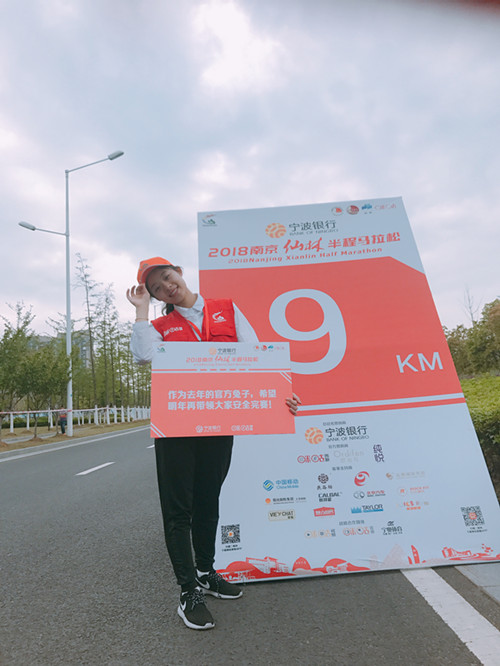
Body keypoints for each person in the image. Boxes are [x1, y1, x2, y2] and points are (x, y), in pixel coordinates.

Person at [127, 256, 300, 631]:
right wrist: (141, 310)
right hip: (177, 428)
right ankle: (188, 591)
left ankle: (206, 572)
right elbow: (142, 356)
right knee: (179, 511)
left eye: (167, 277)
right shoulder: (159, 327)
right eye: (156, 288)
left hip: (219, 425)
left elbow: (256, 356)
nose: (166, 287)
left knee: (208, 501)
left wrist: (282, 397)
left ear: (179, 273)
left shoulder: (227, 310)